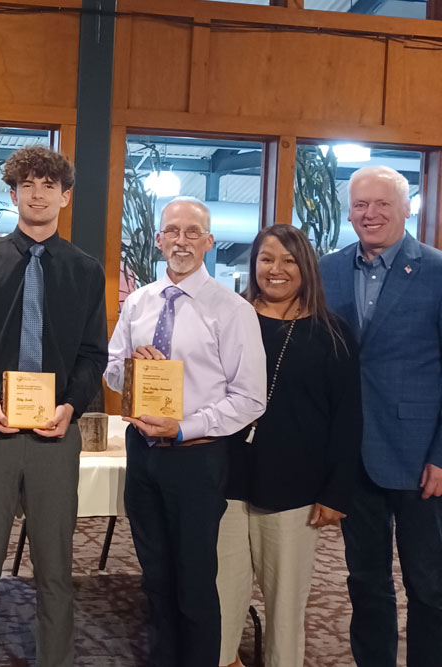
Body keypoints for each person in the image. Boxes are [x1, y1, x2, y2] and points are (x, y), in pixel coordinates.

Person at [0, 146, 108, 667]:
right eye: (27, 185)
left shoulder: (85, 271)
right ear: (13, 194)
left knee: (56, 562)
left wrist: (70, 406)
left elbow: (92, 353)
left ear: (64, 197)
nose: (37, 194)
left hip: (56, 434)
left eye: (48, 185)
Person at [104, 196, 266, 667]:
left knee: (195, 581)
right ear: (159, 240)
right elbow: (112, 371)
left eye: (192, 232)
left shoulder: (233, 310)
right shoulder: (139, 302)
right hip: (143, 454)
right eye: (172, 231)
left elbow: (250, 399)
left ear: (209, 242)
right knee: (155, 577)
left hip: (196, 456)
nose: (181, 240)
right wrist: (131, 370)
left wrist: (184, 428)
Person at [216, 224, 361, 667]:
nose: (275, 270)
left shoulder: (332, 333)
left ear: (306, 268)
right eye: (266, 259)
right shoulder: (226, 320)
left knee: (285, 614)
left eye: (288, 261)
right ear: (253, 264)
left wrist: (337, 492)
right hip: (223, 482)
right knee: (218, 603)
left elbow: (348, 420)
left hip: (295, 490)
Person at [319, 165, 442, 667]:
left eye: (382, 204)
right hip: (353, 455)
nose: (370, 214)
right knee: (365, 581)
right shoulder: (326, 269)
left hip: (420, 460)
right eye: (360, 205)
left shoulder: (437, 270)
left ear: (407, 208)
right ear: (349, 213)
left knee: (430, 585)